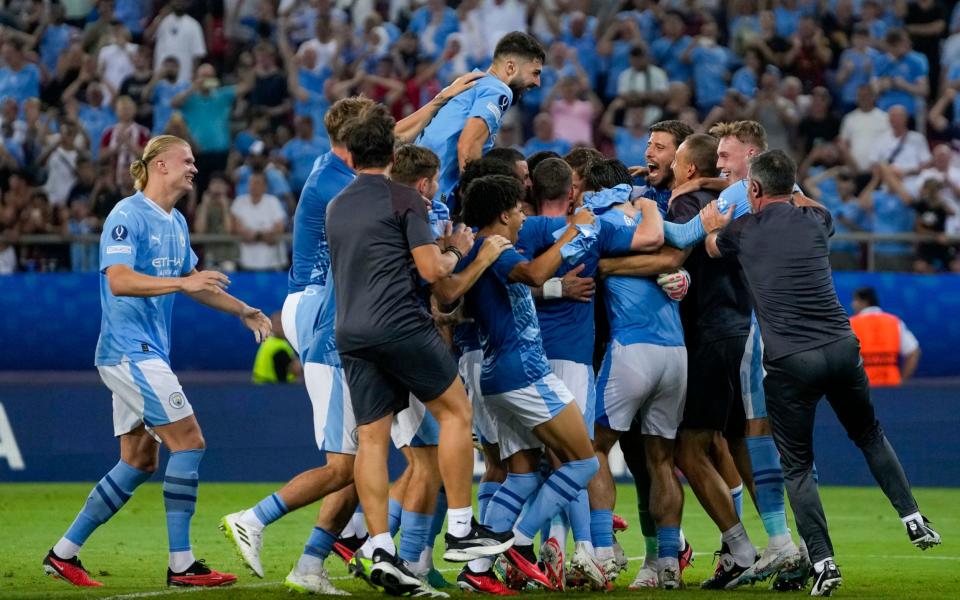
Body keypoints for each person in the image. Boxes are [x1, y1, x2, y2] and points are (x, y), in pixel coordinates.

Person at [220, 78, 484, 596]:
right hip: (323, 307)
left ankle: (351, 553)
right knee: (352, 459)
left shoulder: (343, 173)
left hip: (346, 310)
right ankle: (268, 520)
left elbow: (389, 142)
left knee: (400, 451)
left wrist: (437, 101)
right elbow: (393, 148)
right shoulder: (343, 182)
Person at [705, 149, 941, 597]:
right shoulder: (817, 221)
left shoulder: (742, 229)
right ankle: (912, 516)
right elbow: (814, 206)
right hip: (840, 347)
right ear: (792, 188)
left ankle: (824, 562)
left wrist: (716, 219)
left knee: (797, 466)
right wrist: (794, 188)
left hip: (791, 361)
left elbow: (711, 246)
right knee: (869, 434)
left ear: (753, 189)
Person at [42, 135, 272, 589]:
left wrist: (242, 309)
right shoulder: (126, 215)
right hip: (129, 351)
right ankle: (182, 564)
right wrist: (181, 284)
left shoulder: (177, 221)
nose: (194, 168)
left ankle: (63, 553)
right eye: (187, 161)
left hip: (146, 350)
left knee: (138, 460)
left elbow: (194, 281)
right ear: (160, 165)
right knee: (188, 442)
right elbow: (121, 281)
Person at [326, 104, 511, 596]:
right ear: (391, 150)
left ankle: (380, 544)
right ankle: (460, 527)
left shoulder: (337, 203)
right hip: (401, 324)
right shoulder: (405, 198)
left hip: (351, 332)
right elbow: (433, 272)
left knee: (372, 440)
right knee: (456, 412)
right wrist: (454, 246)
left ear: (349, 155)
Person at [455, 174, 600, 592]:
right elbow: (535, 274)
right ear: (503, 214)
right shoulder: (494, 248)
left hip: (501, 374)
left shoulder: (481, 251)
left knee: (522, 475)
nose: (522, 216)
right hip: (524, 372)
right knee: (583, 462)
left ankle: (477, 571)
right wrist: (575, 229)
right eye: (518, 209)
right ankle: (518, 543)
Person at [415, 31, 544, 211]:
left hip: (420, 181)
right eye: (535, 73)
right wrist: (476, 207)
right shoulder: (499, 90)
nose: (537, 82)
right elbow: (468, 147)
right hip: (435, 192)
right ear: (511, 67)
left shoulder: (472, 82)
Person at [850, 287, 922, 386]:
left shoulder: (851, 324)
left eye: (855, 300)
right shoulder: (895, 322)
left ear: (864, 302)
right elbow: (914, 352)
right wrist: (903, 380)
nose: (852, 304)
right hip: (891, 388)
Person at [251, 311, 301, 384]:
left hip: (261, 388)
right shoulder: (279, 347)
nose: (284, 327)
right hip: (273, 390)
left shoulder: (270, 341)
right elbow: (296, 370)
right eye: (280, 324)